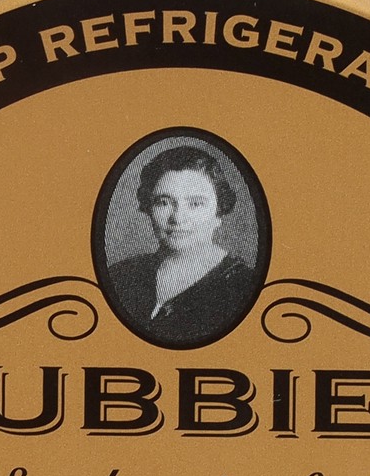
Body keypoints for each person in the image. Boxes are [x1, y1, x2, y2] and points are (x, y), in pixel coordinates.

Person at [106, 146, 257, 346]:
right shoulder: (120, 275)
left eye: (195, 204)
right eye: (163, 202)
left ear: (219, 212)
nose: (177, 218)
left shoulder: (244, 287)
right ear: (149, 208)